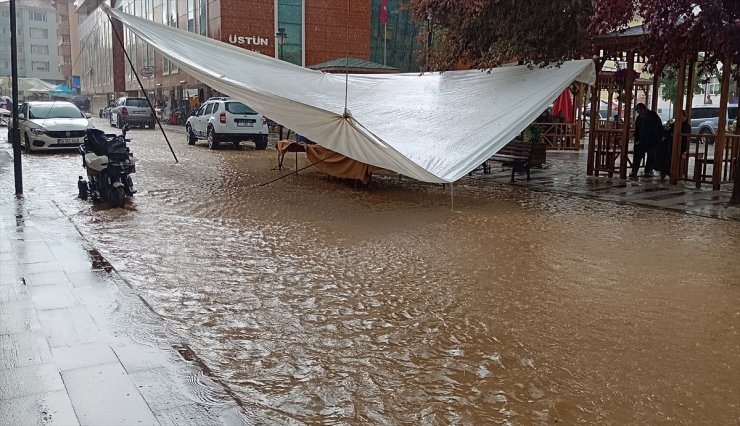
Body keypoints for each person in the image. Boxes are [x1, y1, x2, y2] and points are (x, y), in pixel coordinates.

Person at [631, 103, 663, 178]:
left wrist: (657, 139)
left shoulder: (653, 116)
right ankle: (634, 171)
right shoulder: (639, 118)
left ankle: (648, 171)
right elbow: (637, 130)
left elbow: (659, 128)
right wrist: (637, 139)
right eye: (637, 111)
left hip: (652, 140)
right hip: (642, 140)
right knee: (637, 156)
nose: (638, 112)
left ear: (643, 109)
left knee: (651, 156)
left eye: (639, 110)